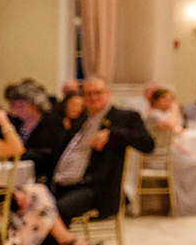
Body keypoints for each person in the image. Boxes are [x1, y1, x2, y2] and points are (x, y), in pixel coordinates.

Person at [0, 86, 98, 245]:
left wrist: (11, 191)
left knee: (35, 194)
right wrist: (4, 122)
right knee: (34, 205)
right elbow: (16, 149)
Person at [49, 76, 155, 226]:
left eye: (98, 92)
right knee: (31, 205)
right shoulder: (80, 119)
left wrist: (112, 134)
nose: (93, 97)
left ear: (108, 93)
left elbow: (148, 144)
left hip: (96, 189)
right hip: (62, 183)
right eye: (88, 94)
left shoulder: (124, 117)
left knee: (55, 211)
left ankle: (63, 240)